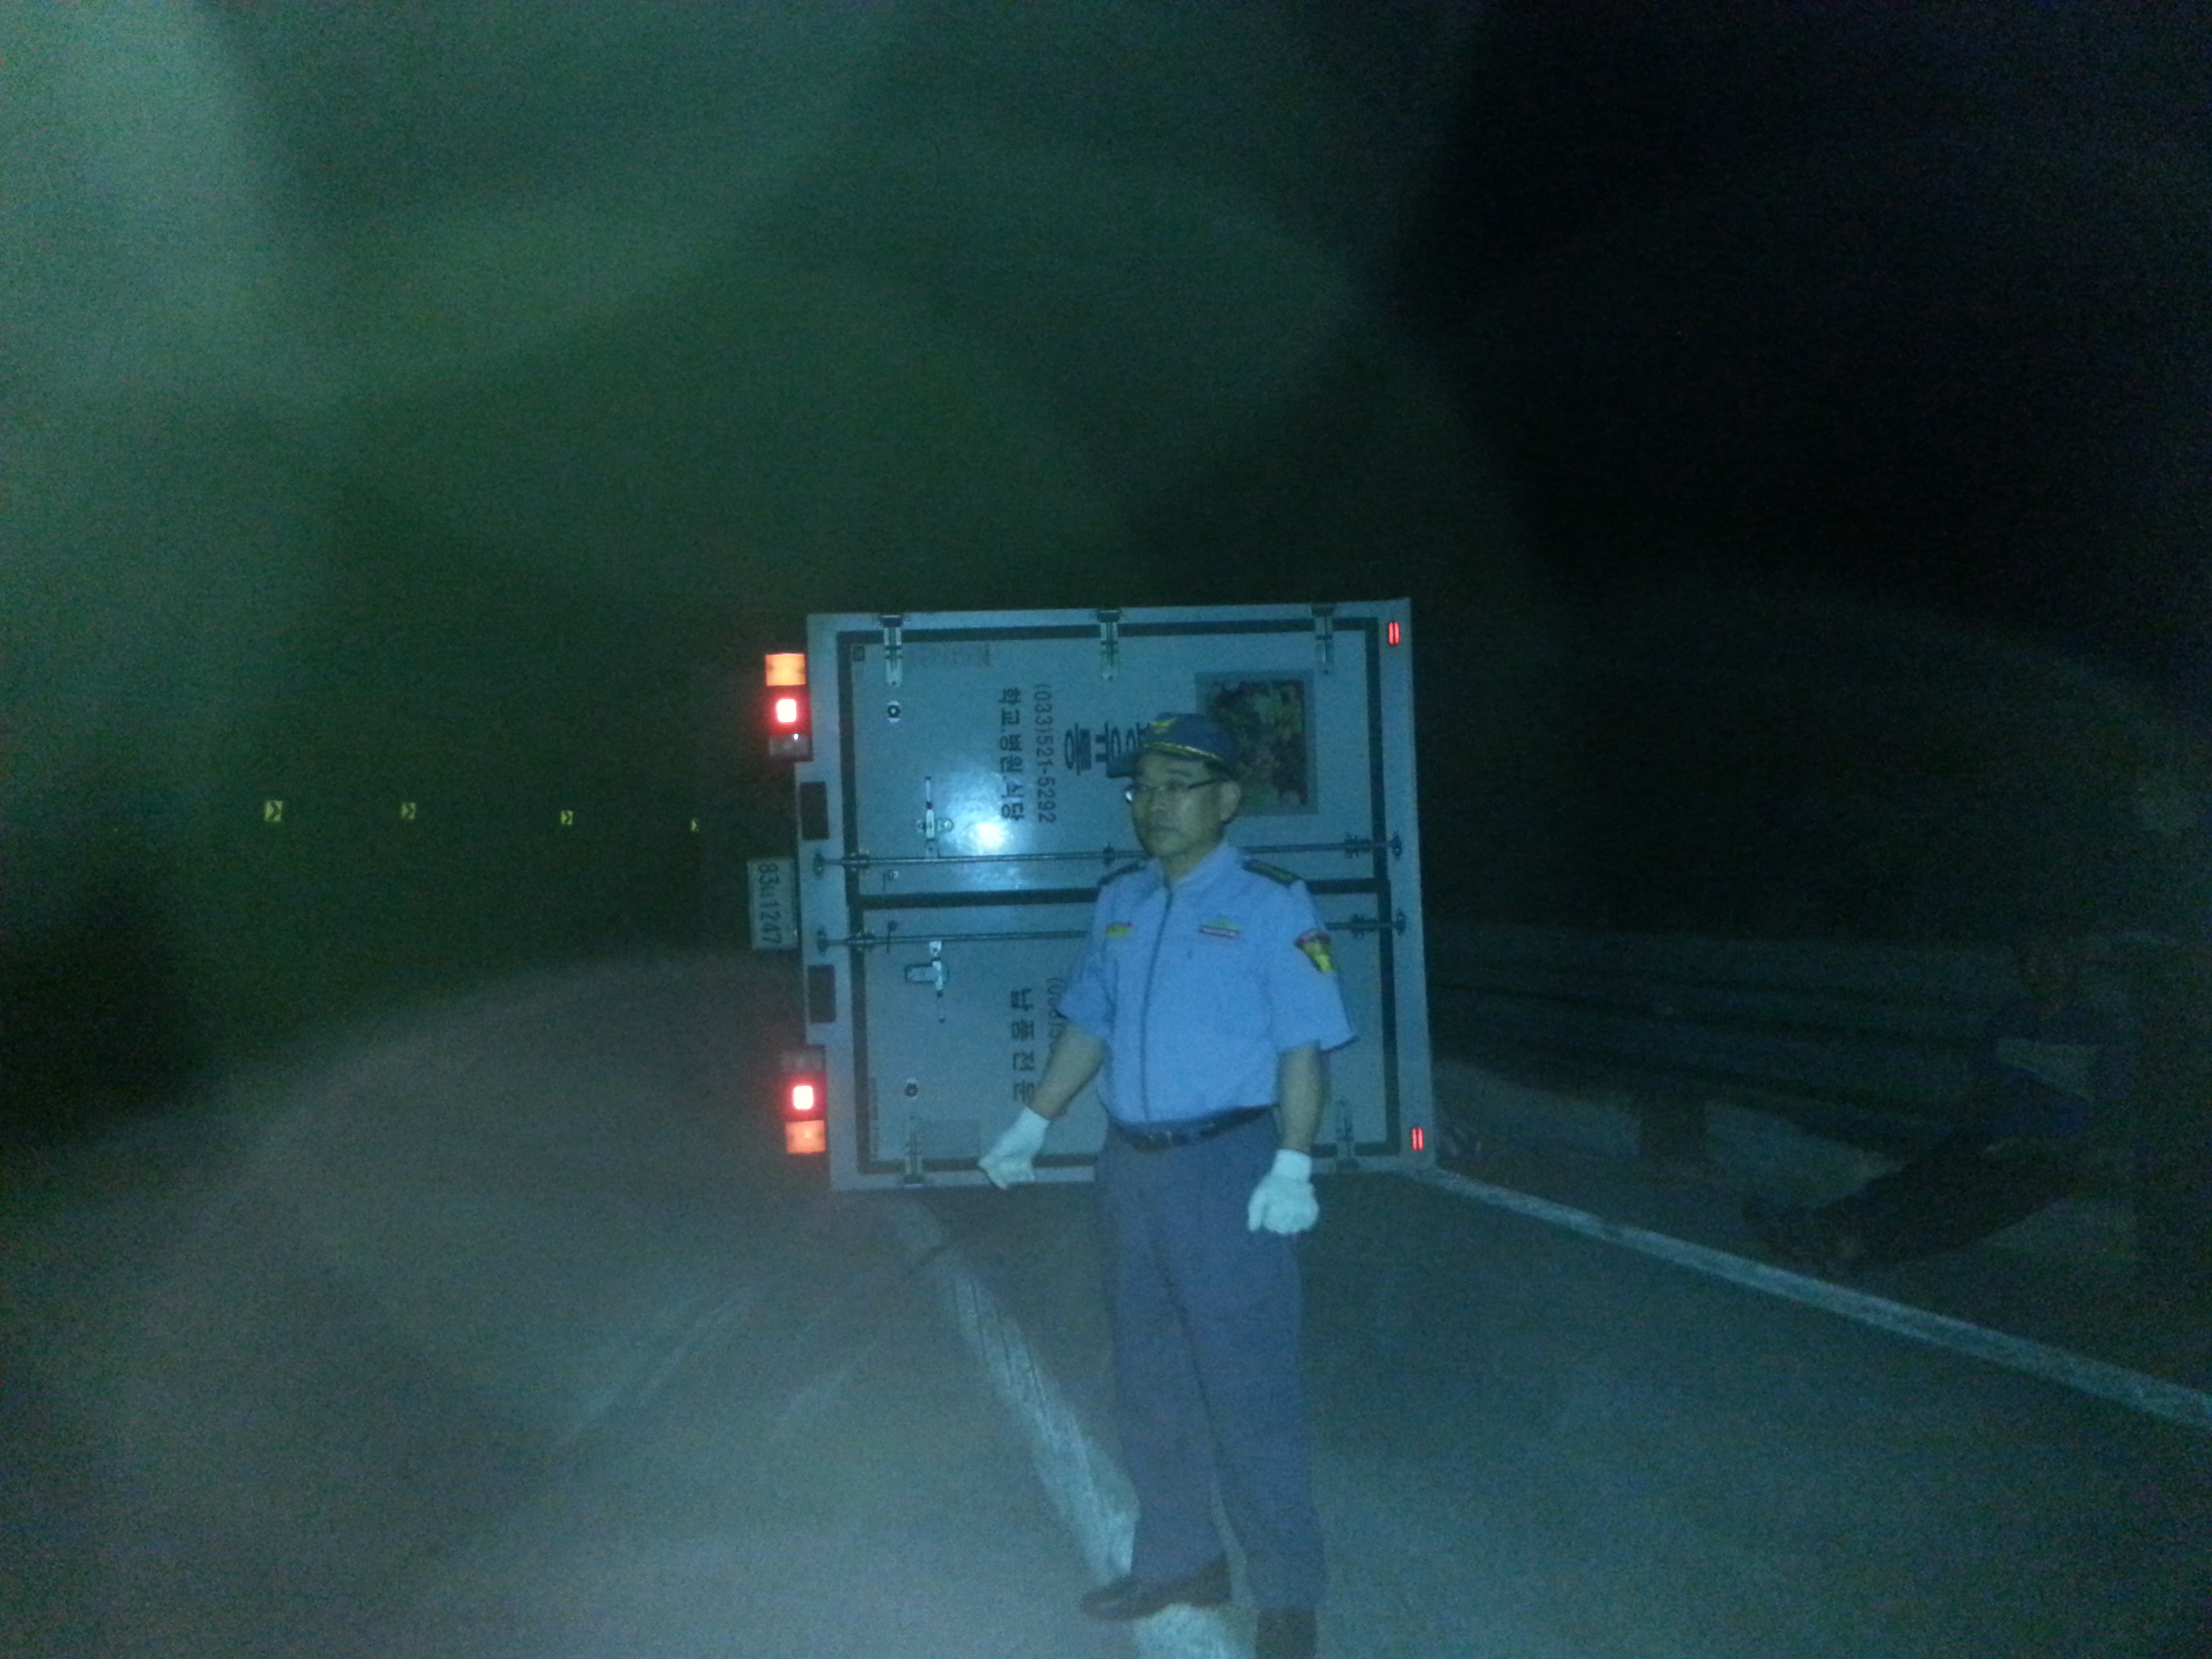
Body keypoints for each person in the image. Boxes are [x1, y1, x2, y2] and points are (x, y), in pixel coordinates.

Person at [978, 713, 1353, 1659]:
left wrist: (1294, 1161)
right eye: (1143, 787)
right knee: (1148, 1380)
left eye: (1178, 786)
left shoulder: (1271, 902)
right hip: (1131, 1168)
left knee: (1248, 1387)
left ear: (1226, 801)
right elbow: (1090, 1024)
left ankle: (1287, 1595)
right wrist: (1033, 1121)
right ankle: (1180, 1560)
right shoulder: (1123, 900)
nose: (1154, 804)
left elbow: (1303, 1045)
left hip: (1228, 1166)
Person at [1744, 932, 2129, 1274]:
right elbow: (1984, 1084)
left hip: (2046, 1156)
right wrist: (1973, 1124)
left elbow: (2109, 1117)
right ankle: (1822, 1227)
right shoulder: (2012, 1018)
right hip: (1989, 1137)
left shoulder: (2096, 1031)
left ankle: (1853, 1245)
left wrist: (2051, 1149)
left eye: (2053, 958)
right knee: (1916, 1179)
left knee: (1962, 1204)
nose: (2042, 969)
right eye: (2031, 958)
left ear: (2073, 965)